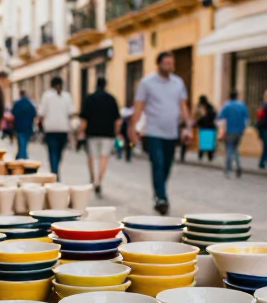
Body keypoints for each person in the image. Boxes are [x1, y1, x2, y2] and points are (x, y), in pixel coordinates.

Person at [130, 51, 191, 214]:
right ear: (159, 64)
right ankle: (162, 198)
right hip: (153, 131)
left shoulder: (178, 83)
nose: (170, 66)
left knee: (167, 166)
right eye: (166, 63)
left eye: (171, 63)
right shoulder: (147, 83)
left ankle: (158, 192)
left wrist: (188, 128)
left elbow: (183, 106)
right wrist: (132, 128)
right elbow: (138, 106)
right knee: (158, 163)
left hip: (171, 132)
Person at [79, 77, 121, 198]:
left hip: (91, 133)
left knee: (91, 157)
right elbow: (117, 120)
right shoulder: (112, 99)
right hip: (108, 134)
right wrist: (116, 133)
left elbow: (84, 120)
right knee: (104, 158)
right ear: (105, 85)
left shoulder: (89, 99)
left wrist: (80, 132)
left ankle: (92, 179)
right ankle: (99, 181)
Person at [38, 76, 73, 176]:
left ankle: (54, 173)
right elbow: (71, 113)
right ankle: (55, 172)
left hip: (50, 129)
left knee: (53, 152)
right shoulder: (67, 96)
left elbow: (41, 113)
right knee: (59, 153)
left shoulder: (46, 96)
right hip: (63, 129)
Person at [218, 90, 250, 178]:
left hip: (229, 131)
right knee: (235, 149)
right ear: (237, 96)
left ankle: (227, 170)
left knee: (229, 150)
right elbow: (247, 120)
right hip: (239, 132)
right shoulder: (242, 106)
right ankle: (238, 166)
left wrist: (221, 131)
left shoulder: (226, 106)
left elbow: (220, 119)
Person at [12, 88, 37, 160]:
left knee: (21, 142)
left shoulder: (17, 103)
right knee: (25, 143)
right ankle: (22, 155)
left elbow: (13, 113)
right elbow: (34, 114)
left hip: (19, 126)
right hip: (28, 127)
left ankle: (21, 157)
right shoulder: (30, 104)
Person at [195, 96, 217, 162]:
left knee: (205, 143)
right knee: (206, 143)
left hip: (206, 127)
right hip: (208, 127)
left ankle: (204, 156)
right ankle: (206, 156)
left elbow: (198, 118)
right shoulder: (209, 107)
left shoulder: (206, 108)